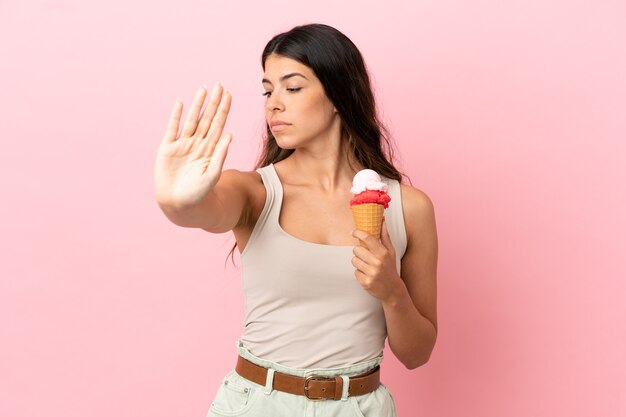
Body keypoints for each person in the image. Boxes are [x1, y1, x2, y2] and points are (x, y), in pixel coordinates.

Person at [154, 23, 437, 417]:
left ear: (338, 94)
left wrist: (392, 291)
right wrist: (175, 201)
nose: (273, 104)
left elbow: (417, 353)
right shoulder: (254, 192)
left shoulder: (409, 208)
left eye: (293, 87)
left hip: (359, 407)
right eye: (268, 90)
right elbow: (202, 211)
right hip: (257, 404)